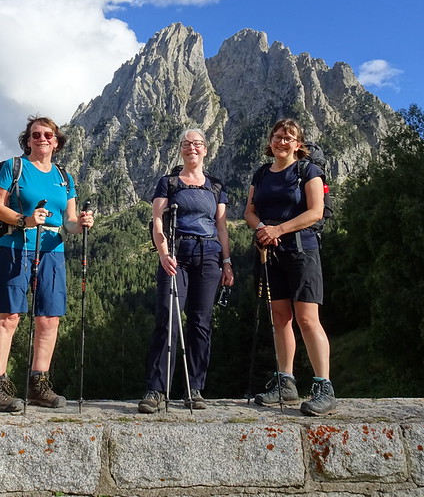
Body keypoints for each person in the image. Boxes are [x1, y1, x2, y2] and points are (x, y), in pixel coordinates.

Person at [0, 115, 94, 413]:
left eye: (48, 135)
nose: (41, 139)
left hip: (53, 251)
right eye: (35, 135)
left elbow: (68, 222)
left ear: (56, 143)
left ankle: (38, 385)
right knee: (8, 316)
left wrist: (81, 224)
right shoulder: (13, 167)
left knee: (49, 318)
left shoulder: (64, 177)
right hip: (16, 247)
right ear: (27, 140)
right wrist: (24, 220)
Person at [244, 118, 337, 416]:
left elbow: (315, 212)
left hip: (302, 251)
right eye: (277, 137)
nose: (281, 142)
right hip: (270, 252)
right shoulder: (260, 174)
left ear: (298, 144)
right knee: (280, 316)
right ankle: (285, 381)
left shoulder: (308, 171)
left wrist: (277, 230)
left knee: (308, 318)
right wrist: (262, 229)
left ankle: (324, 386)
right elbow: (249, 211)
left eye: (288, 137)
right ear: (270, 142)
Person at [138, 129, 234, 413]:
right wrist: (164, 254)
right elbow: (157, 220)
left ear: (206, 150)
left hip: (209, 257)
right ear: (181, 150)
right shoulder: (168, 183)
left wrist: (227, 262)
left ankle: (195, 389)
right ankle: (157, 390)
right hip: (176, 255)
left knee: (201, 322)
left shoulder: (215, 186)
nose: (192, 147)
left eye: (197, 143)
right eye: (186, 144)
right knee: (168, 318)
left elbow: (222, 227)